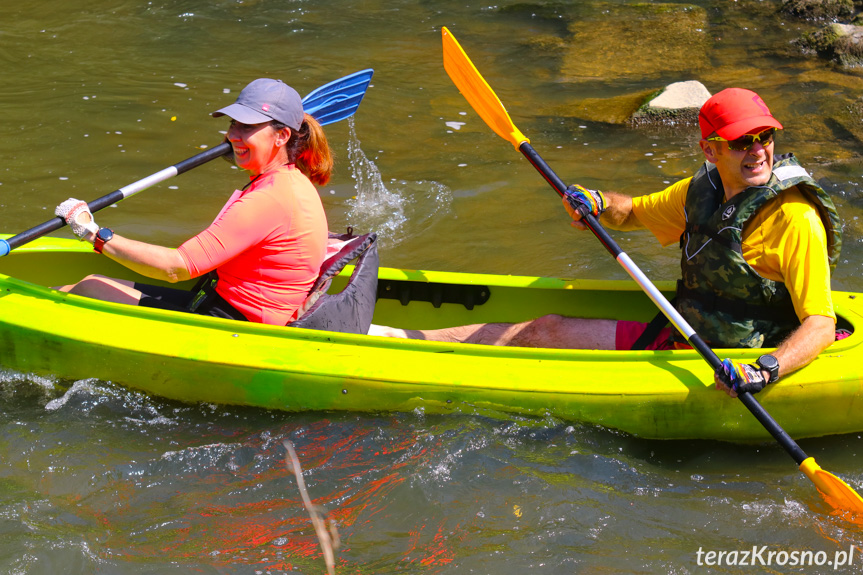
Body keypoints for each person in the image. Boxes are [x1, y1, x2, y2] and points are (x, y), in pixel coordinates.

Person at [370, 88, 843, 399]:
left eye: (765, 137)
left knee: (543, 333)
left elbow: (820, 323)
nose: (758, 150)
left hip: (737, 363)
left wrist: (765, 372)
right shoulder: (705, 190)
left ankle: (402, 354)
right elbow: (632, 211)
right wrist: (596, 202)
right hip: (688, 333)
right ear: (710, 149)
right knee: (546, 326)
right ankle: (397, 341)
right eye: (742, 142)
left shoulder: (795, 218)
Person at [55, 78, 331, 325]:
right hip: (225, 301)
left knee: (90, 290)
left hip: (236, 324)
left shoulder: (269, 199)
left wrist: (93, 234)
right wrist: (246, 148)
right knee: (90, 283)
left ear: (282, 136)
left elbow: (176, 268)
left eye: (247, 127)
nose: (233, 135)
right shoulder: (289, 181)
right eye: (233, 124)